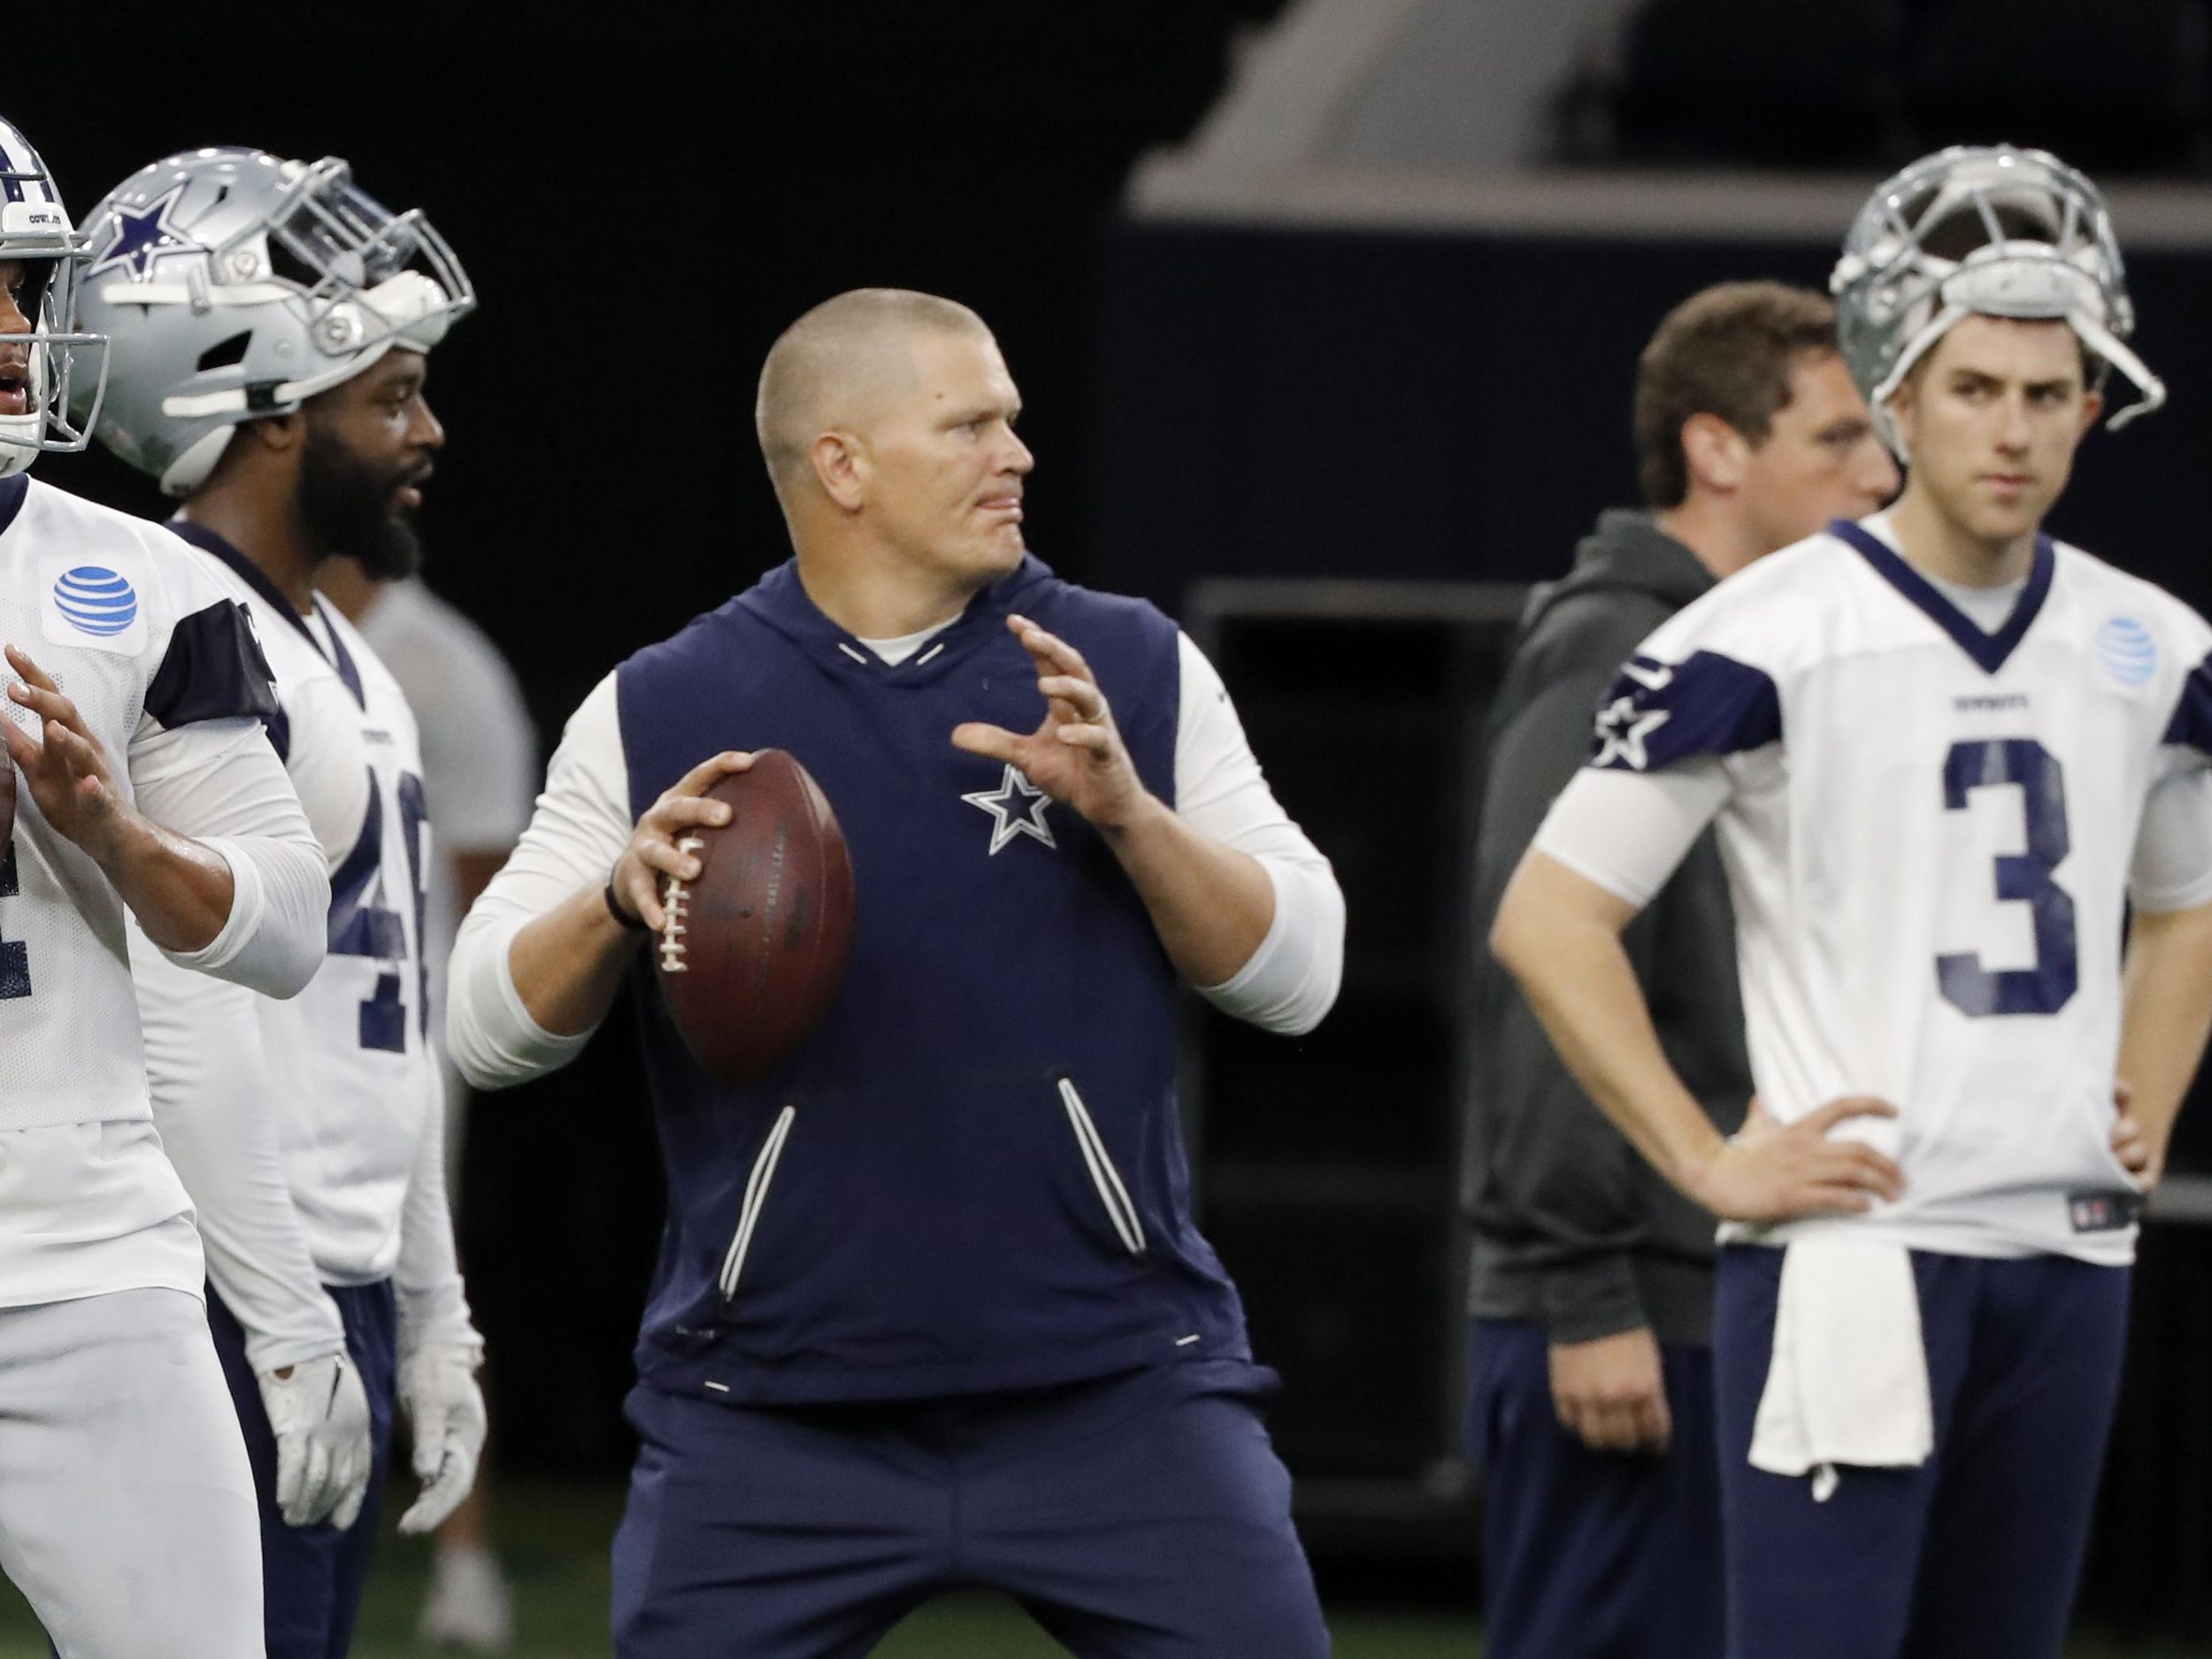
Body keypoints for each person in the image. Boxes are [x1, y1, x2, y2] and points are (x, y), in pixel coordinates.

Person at [447, 287, 1345, 1655]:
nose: (1017, 454)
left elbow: (1300, 976)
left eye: (1016, 421)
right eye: (970, 424)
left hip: (1117, 1395)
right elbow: (483, 1030)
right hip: (770, 1412)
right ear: (844, 465)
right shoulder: (662, 702)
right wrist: (616, 898)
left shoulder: (1128, 665)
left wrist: (1130, 816)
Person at [1490, 144, 2212, 1659]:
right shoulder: (1762, 632)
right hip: (1856, 1252)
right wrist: (1706, 1158)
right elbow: (1549, 919)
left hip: (2069, 1248)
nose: (2013, 428)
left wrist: (2142, 1090)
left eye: (2046, 390)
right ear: (1898, 393)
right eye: (1974, 388)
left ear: (2096, 401)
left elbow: (2188, 906)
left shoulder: (2151, 642)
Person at [74, 145, 488, 1659]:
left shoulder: (347, 659)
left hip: (333, 1278)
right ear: (257, 410)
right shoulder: (179, 643)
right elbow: (187, 1020)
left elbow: (396, 1031)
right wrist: (286, 1314)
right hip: (234, 1293)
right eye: (386, 399)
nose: (426, 431)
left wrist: (433, 1308)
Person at [1465, 280, 1895, 1658]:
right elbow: (1541, 973)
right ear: (1718, 451)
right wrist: (1588, 1297)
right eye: (1838, 440)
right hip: (1630, 1306)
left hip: (1714, 1280)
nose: (1881, 475)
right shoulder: (1617, 647)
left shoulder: (1759, 657)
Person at [0, 115, 331, 1657]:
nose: (19, 333)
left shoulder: (146, 582)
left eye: (25, 287)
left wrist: (115, 837)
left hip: (85, 1272)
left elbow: (283, 930)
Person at [319, 555, 534, 1652]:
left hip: (389, 1034)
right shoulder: (213, 611)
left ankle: (464, 1560)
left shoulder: (442, 669)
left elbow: (488, 901)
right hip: (234, 1014)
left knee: (419, 1291)